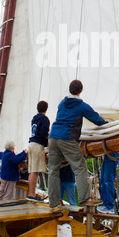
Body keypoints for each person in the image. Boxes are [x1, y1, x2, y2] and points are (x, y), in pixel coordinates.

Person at [48, 79, 106, 208]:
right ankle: (85, 199)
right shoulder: (81, 105)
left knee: (53, 170)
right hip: (66, 137)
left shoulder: (61, 103)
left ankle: (53, 202)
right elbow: (96, 119)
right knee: (79, 167)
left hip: (53, 137)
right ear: (80, 91)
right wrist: (108, 125)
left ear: (70, 89)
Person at [27, 100, 50, 201]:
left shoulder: (34, 119)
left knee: (32, 170)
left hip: (31, 144)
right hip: (38, 145)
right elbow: (43, 133)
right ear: (46, 109)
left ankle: (31, 193)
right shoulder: (44, 119)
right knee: (35, 171)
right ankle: (32, 194)